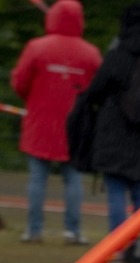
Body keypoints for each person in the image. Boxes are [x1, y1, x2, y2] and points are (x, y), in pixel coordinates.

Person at [81, 3, 140, 257]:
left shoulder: (117, 57)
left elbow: (95, 91)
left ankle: (117, 247)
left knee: (116, 190)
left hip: (115, 132)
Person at [10, 0, 101, 245]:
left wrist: (35, 99)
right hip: (75, 127)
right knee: (73, 179)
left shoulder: (36, 47)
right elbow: (97, 89)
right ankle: (73, 231)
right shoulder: (90, 53)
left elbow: (20, 82)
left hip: (40, 122)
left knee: (37, 178)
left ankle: (34, 230)